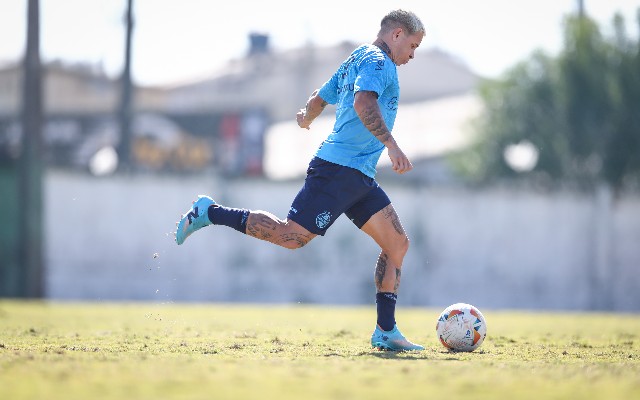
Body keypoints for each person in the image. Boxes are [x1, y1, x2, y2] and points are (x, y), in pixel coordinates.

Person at [175, 9, 426, 351]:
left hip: (359, 176)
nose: (412, 55)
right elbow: (363, 101)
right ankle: (209, 212)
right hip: (338, 171)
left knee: (397, 245)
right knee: (290, 237)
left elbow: (319, 97)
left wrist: (307, 115)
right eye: (412, 45)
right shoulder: (378, 63)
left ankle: (385, 330)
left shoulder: (357, 58)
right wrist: (393, 146)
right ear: (397, 34)